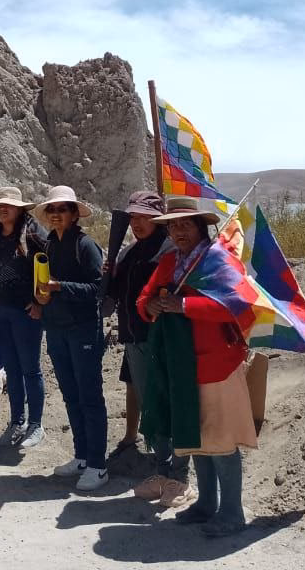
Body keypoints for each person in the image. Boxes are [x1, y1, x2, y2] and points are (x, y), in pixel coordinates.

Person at [137, 197, 257, 537]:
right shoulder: (170, 262)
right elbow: (143, 299)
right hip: (182, 366)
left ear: (200, 226)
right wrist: (151, 306)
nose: (178, 231)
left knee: (221, 439)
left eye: (185, 224)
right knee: (196, 437)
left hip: (217, 364)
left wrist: (184, 305)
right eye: (173, 225)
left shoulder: (219, 261)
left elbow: (238, 304)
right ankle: (206, 503)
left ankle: (232, 512)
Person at [103, 191, 194, 508]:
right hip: (134, 340)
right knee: (154, 412)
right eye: (133, 217)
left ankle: (179, 477)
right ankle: (162, 471)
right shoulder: (130, 252)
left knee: (171, 409)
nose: (137, 223)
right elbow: (116, 297)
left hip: (163, 342)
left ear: (158, 218)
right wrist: (110, 273)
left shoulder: (170, 251)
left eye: (144, 216)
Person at [36, 185, 109, 491]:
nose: (56, 214)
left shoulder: (85, 245)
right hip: (56, 328)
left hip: (83, 328)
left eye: (62, 209)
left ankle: (98, 465)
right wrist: (41, 297)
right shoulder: (49, 245)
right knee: (70, 393)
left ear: (74, 214)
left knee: (89, 396)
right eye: (51, 210)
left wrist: (58, 287)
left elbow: (97, 289)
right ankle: (81, 456)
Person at [0, 186, 49, 450]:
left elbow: (48, 267)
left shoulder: (34, 234)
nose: (2, 209)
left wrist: (40, 303)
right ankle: (17, 421)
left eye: (8, 205)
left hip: (26, 314)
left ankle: (36, 424)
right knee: (12, 370)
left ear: (19, 208)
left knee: (30, 369)